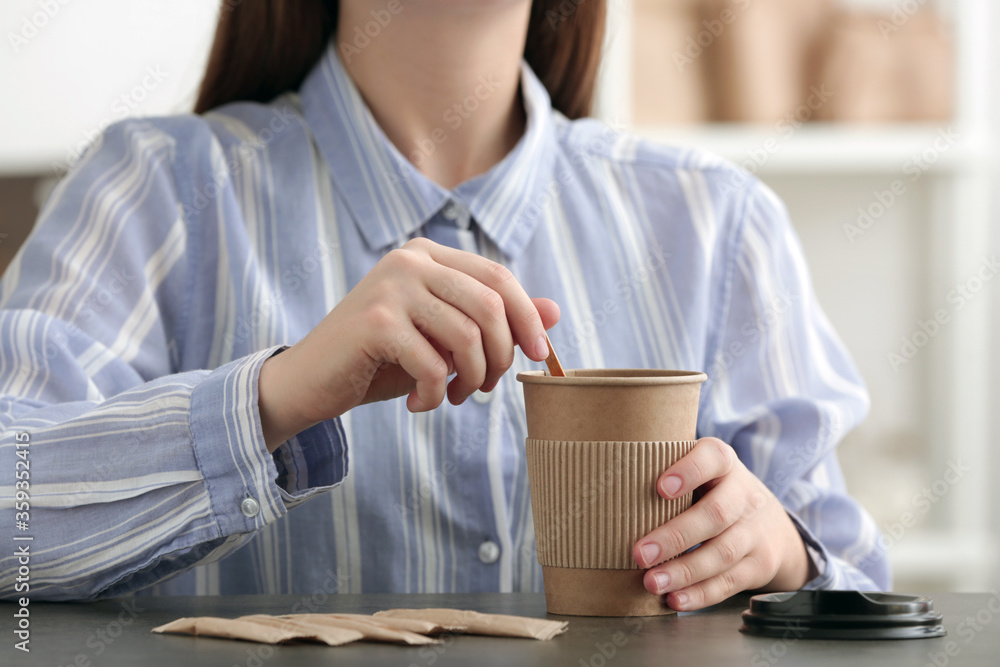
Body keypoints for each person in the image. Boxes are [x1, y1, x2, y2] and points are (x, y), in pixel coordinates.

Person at [0, 0, 889, 609]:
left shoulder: (715, 219)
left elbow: (867, 598)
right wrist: (276, 397)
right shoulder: (151, 187)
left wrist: (781, 557)